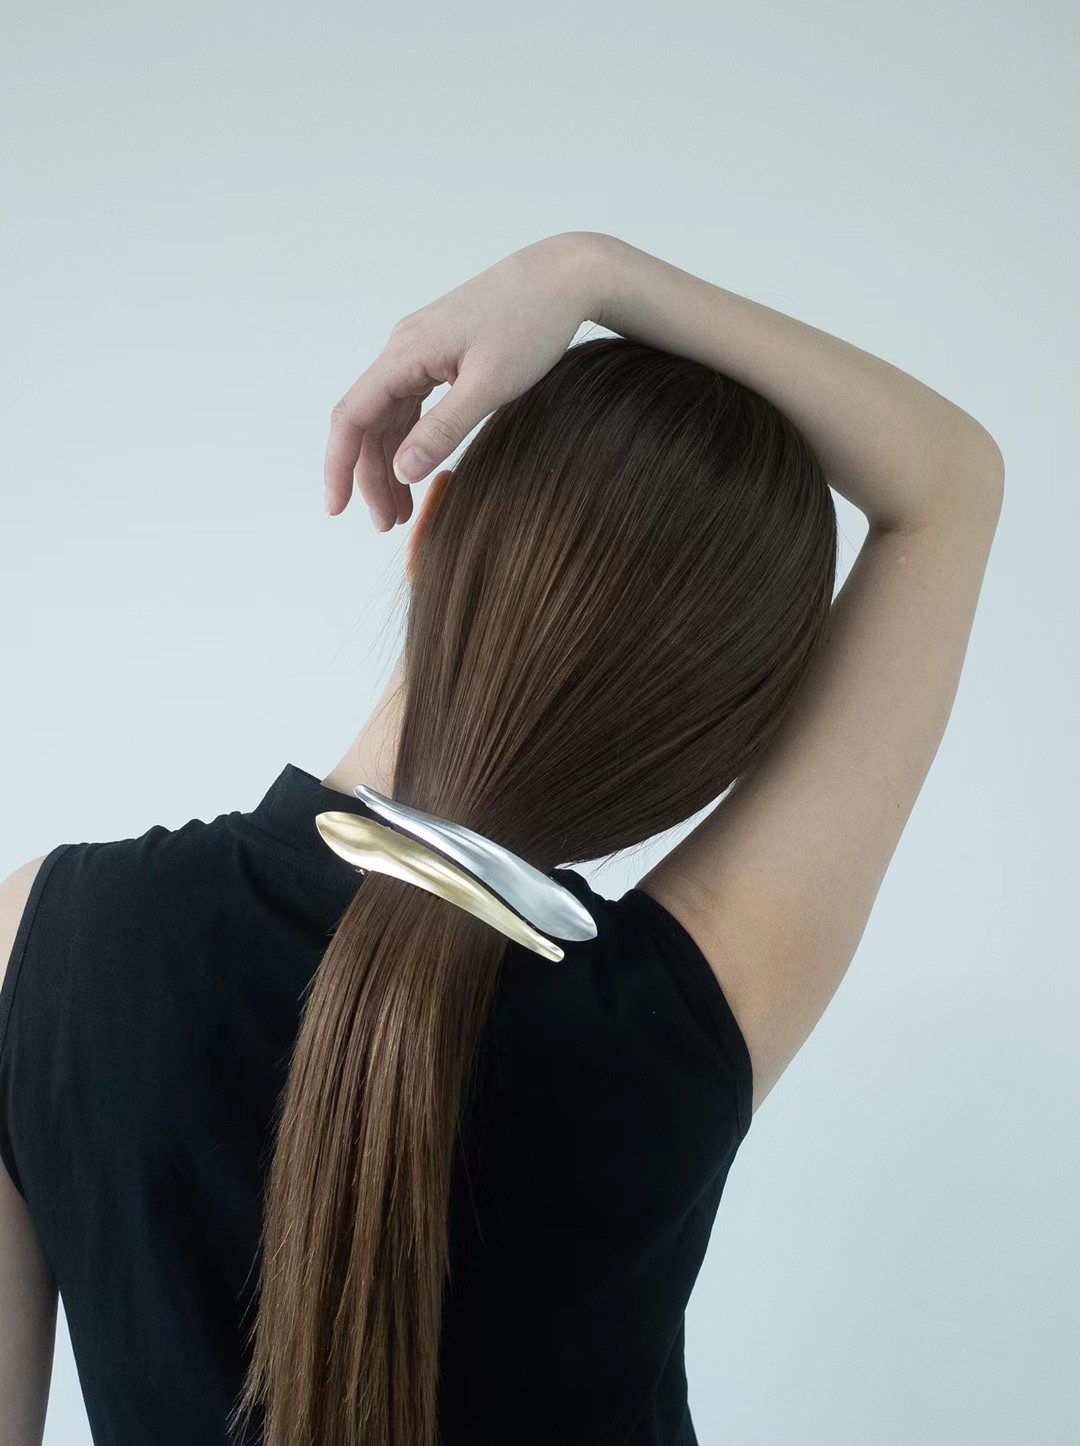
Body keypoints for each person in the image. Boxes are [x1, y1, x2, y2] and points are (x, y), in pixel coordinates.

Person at [0, 231, 1004, 1446]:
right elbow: (947, 484)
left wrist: (584, 271)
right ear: (724, 756)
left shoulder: (41, 940)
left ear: (431, 530)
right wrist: (594, 273)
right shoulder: (689, 1016)